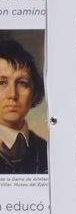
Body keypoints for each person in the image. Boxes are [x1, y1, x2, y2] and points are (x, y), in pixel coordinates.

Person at [0, 39, 46, 175]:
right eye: (1, 82)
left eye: (22, 83)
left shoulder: (46, 150)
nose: (12, 95)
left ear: (34, 92)